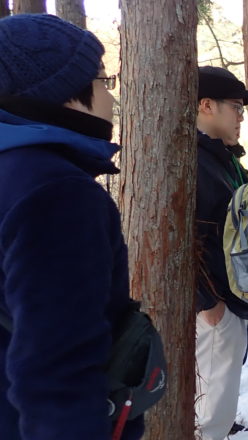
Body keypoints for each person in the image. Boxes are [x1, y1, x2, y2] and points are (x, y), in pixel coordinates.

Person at [0, 14, 143, 440]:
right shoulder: (57, 191)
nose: (111, 98)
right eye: (103, 80)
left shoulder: (15, 174)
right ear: (65, 94)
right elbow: (57, 368)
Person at [193, 65, 248, 439]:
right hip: (214, 309)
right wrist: (208, 303)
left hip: (229, 301)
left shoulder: (224, 160)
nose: (240, 116)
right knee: (209, 416)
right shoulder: (193, 160)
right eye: (236, 106)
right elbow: (185, 238)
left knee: (216, 407)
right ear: (206, 105)